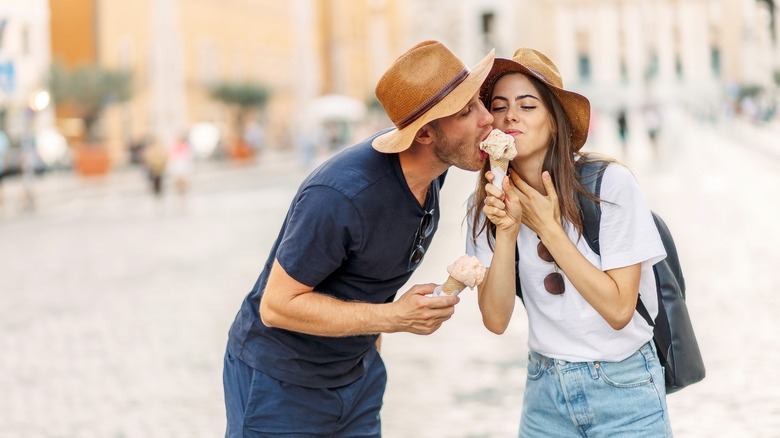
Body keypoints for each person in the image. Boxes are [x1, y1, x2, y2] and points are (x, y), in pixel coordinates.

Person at [223, 40, 496, 437]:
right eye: (468, 110)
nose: (487, 118)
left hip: (359, 379)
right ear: (424, 136)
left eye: (480, 102)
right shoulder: (340, 197)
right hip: (279, 385)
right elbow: (277, 306)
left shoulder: (437, 164)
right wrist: (393, 318)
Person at [467, 48, 673, 436]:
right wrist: (509, 231)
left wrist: (549, 228)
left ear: (555, 123)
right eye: (499, 106)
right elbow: (495, 320)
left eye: (528, 106)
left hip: (625, 388)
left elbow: (618, 310)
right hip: (545, 394)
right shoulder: (487, 206)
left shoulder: (608, 185)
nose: (510, 116)